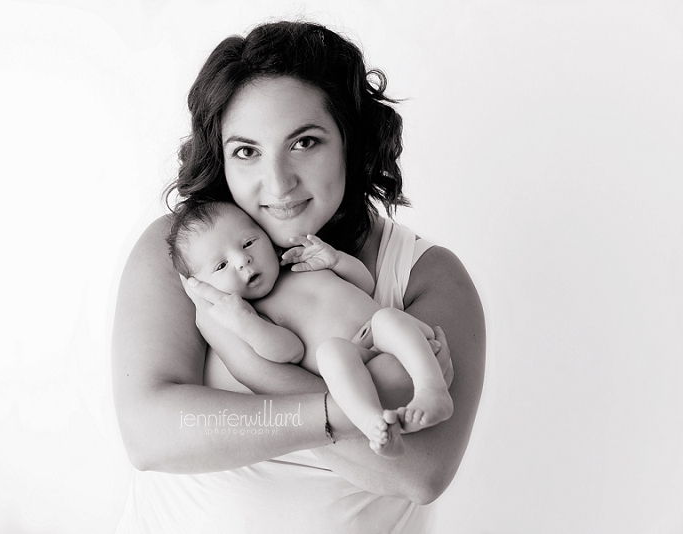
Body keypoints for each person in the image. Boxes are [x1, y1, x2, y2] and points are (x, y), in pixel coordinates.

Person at [112, 20, 485, 533]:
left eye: (305, 142)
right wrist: (339, 412)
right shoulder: (181, 253)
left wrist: (255, 376)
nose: (279, 181)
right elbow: (150, 435)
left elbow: (420, 473)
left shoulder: (428, 275)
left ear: (350, 142)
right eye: (247, 151)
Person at [166, 200, 454, 458]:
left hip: (385, 336)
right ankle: (373, 423)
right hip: (358, 359)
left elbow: (365, 287)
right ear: (203, 289)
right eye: (222, 265)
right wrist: (247, 324)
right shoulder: (256, 314)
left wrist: (337, 261)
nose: (243, 260)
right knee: (331, 354)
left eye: (248, 243)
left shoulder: (301, 264)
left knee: (387, 318)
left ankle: (432, 390)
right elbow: (290, 350)